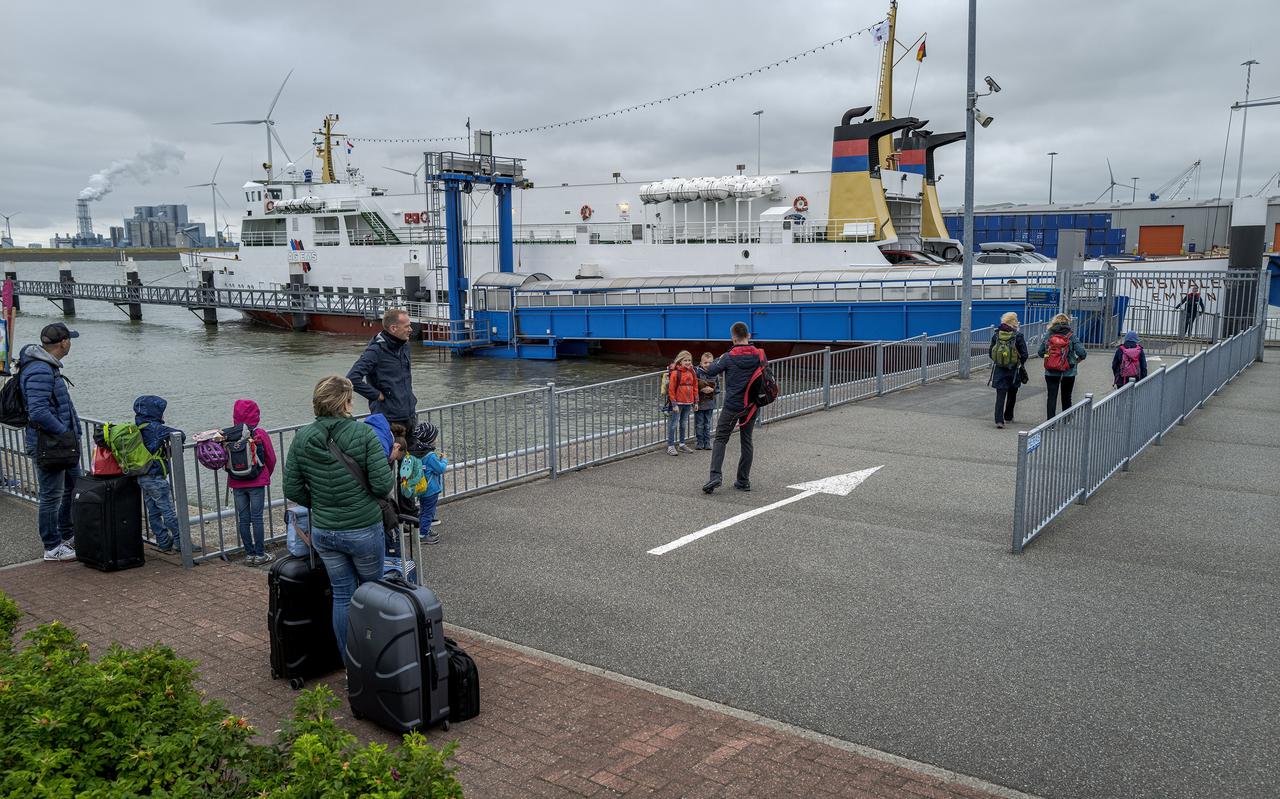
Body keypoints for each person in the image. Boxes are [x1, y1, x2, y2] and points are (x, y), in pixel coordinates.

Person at [284, 376, 394, 659]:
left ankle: (350, 663)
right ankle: (376, 662)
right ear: (345, 403)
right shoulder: (364, 434)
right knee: (372, 592)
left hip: (324, 530)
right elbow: (382, 486)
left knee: (343, 595)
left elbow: (292, 488)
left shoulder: (302, 437)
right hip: (363, 528)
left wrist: (320, 503)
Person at [18, 323, 80, 562]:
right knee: (52, 496)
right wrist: (63, 432)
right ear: (63, 342)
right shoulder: (41, 370)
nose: (70, 344)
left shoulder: (46, 366)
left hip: (61, 444)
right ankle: (52, 546)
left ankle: (67, 533)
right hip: (50, 445)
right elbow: (38, 412)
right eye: (69, 339)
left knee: (72, 487)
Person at [699, 322, 767, 494]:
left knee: (721, 439)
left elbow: (710, 371)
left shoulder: (728, 357)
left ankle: (715, 476)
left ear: (733, 338)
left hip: (732, 405)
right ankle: (743, 480)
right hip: (752, 405)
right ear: (748, 336)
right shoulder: (759, 354)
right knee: (747, 441)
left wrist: (720, 357)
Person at [346, 307, 418, 429]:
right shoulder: (375, 351)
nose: (410, 329)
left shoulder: (404, 346)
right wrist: (376, 395)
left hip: (409, 415)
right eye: (407, 326)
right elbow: (352, 378)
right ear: (393, 328)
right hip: (388, 420)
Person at [226, 399, 278, 565]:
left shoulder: (229, 435)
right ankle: (260, 554)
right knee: (257, 518)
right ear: (256, 415)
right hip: (257, 482)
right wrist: (265, 474)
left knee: (243, 519)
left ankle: (249, 554)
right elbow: (271, 458)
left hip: (236, 482)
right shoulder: (259, 433)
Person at [133, 395, 187, 553]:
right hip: (155, 476)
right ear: (154, 412)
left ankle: (163, 541)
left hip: (142, 474)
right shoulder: (156, 428)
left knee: (153, 511)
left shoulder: (138, 425)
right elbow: (180, 434)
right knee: (168, 510)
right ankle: (182, 543)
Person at [1038, 313, 1088, 419]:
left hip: (1051, 370)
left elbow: (1040, 352)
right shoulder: (1071, 335)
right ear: (1067, 322)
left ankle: (1050, 422)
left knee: (1051, 396)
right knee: (1066, 396)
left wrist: (1049, 357)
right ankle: (1066, 418)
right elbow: (1082, 353)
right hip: (1068, 371)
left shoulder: (1048, 334)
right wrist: (1076, 361)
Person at [988, 312, 1028, 429]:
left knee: (1000, 395)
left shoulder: (997, 335)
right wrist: (1019, 363)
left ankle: (999, 420)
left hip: (999, 369)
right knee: (1012, 393)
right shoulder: (1018, 336)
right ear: (1014, 322)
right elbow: (1024, 354)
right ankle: (1008, 416)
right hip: (1014, 370)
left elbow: (991, 352)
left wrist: (1000, 361)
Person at [410, 421, 447, 545]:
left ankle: (422, 529)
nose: (436, 439)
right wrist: (444, 459)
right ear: (430, 439)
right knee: (429, 512)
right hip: (431, 489)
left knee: (423, 510)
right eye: (435, 437)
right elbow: (440, 469)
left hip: (421, 488)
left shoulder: (415, 453)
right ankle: (423, 535)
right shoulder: (430, 456)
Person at [665, 351, 698, 456]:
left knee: (683, 424)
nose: (688, 362)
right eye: (685, 360)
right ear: (680, 361)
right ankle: (670, 446)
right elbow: (671, 390)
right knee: (673, 424)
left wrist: (696, 402)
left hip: (688, 402)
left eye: (689, 360)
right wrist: (674, 404)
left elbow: (695, 387)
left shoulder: (692, 372)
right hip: (678, 403)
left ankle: (682, 444)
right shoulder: (676, 373)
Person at [694, 352, 718, 450]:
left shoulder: (715, 374)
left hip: (710, 404)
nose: (708, 364)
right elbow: (693, 388)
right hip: (699, 403)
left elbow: (718, 389)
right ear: (701, 363)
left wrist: (712, 390)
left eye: (710, 363)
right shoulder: (697, 373)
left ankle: (707, 442)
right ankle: (699, 442)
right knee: (699, 424)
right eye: (705, 363)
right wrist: (701, 390)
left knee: (707, 424)